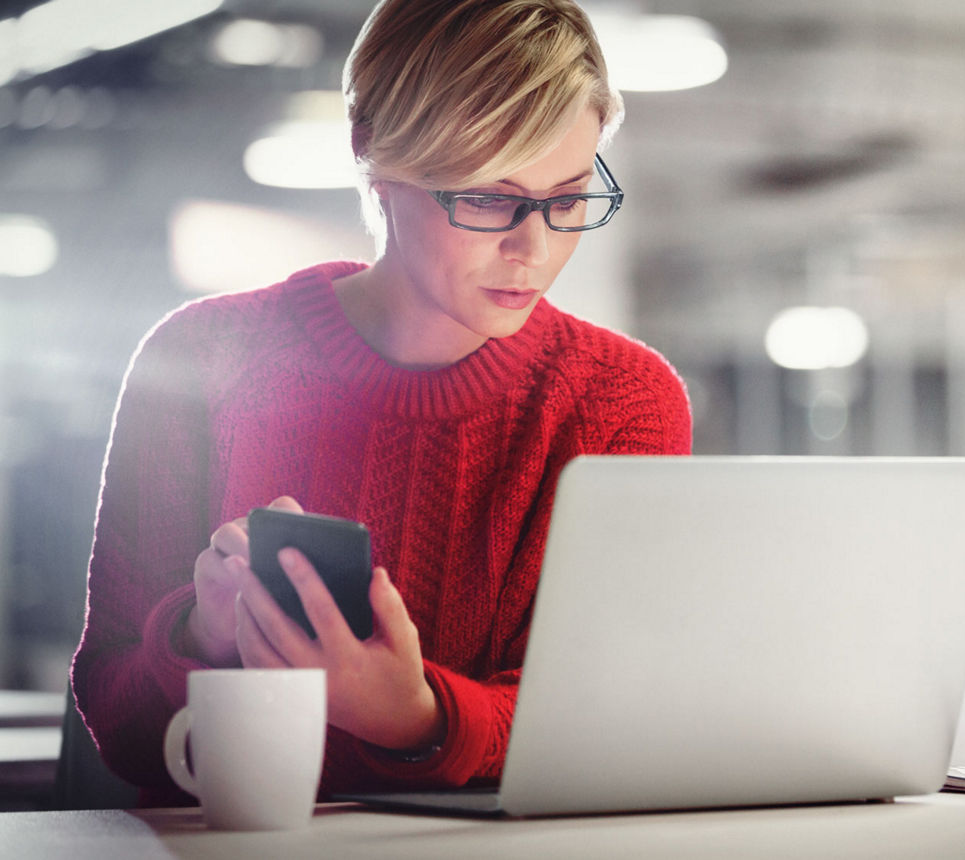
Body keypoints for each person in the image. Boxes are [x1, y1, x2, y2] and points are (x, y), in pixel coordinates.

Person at [71, 0, 691, 806]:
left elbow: (612, 721)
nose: (534, 249)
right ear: (372, 154)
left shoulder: (623, 399)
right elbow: (116, 725)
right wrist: (202, 636)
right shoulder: (199, 362)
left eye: (569, 199)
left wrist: (417, 718)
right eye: (488, 198)